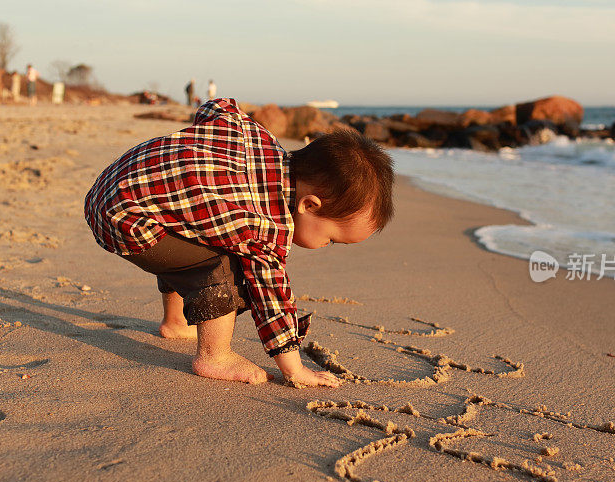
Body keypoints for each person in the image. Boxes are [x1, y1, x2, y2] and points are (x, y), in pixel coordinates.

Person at [84, 98, 394, 387]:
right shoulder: (262, 226)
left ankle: (177, 321)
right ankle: (214, 356)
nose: (326, 246)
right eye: (332, 240)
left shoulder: (257, 139)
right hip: (123, 221)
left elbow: (219, 108)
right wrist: (295, 369)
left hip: (113, 186)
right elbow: (271, 300)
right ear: (309, 205)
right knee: (224, 263)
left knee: (198, 230)